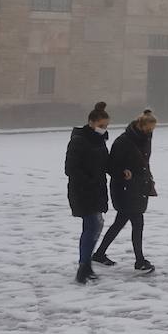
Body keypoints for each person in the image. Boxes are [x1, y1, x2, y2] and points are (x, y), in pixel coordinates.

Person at [92, 109, 158, 274]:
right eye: (149, 129)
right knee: (137, 223)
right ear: (140, 125)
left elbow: (144, 162)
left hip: (138, 186)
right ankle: (140, 261)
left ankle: (99, 254)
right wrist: (123, 172)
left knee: (120, 222)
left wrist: (148, 179)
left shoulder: (145, 138)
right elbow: (111, 165)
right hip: (124, 188)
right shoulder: (123, 142)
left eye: (153, 129)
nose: (151, 132)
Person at [65, 102, 111, 284]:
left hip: (97, 190)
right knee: (92, 226)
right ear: (91, 122)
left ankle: (86, 265)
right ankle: (83, 267)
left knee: (94, 227)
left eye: (106, 126)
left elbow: (105, 163)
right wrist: (90, 179)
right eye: (101, 126)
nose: (103, 129)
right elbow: (70, 168)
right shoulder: (79, 140)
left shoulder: (99, 141)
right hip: (82, 191)